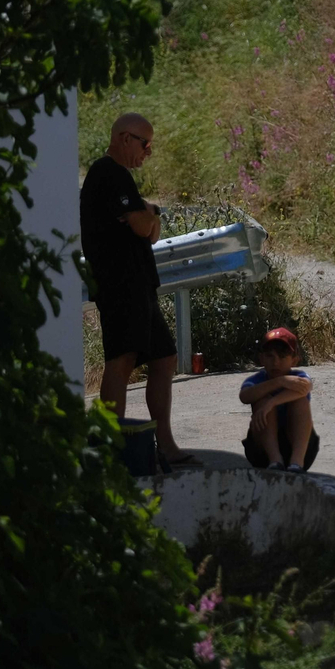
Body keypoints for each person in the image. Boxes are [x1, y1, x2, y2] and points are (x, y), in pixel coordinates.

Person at [80, 112, 197, 467]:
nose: (148, 152)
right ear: (124, 138)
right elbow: (143, 224)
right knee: (121, 361)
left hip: (139, 284)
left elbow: (151, 229)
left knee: (163, 359)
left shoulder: (122, 178)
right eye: (145, 143)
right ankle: (110, 447)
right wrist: (149, 213)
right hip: (120, 285)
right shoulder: (108, 173)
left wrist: (150, 214)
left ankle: (166, 445)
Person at [238, 327, 319, 472]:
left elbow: (306, 387)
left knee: (300, 400)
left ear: (294, 360)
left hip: (299, 447)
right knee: (260, 401)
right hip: (262, 451)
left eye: (282, 357)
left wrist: (272, 402)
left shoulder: (299, 377)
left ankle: (296, 462)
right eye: (270, 356)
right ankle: (275, 460)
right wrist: (279, 382)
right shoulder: (257, 380)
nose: (276, 362)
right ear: (261, 358)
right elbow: (245, 396)